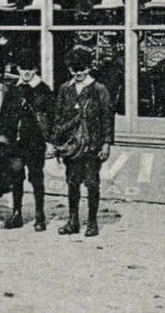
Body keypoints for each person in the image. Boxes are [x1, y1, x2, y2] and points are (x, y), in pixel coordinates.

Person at [50, 46, 115, 237]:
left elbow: (107, 118)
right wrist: (55, 141)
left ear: (89, 68)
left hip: (92, 144)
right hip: (71, 145)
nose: (78, 73)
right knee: (72, 183)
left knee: (92, 183)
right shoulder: (65, 89)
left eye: (82, 69)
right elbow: (58, 117)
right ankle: (73, 221)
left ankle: (92, 222)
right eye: (74, 69)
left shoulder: (99, 90)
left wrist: (106, 143)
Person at [0, 60, 53, 230]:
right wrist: (1, 139)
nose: (26, 72)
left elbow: (51, 117)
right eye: (22, 68)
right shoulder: (13, 90)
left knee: (36, 178)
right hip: (15, 143)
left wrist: (50, 141)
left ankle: (39, 216)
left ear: (35, 68)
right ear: (18, 69)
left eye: (30, 68)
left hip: (35, 143)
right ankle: (16, 214)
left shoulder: (43, 89)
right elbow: (3, 115)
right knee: (16, 177)